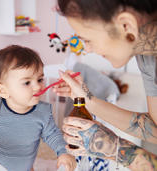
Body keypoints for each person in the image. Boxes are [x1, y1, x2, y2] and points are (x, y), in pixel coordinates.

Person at [52, 0, 157, 170]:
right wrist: (89, 100)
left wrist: (114, 149)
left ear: (126, 25)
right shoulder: (147, 56)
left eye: (88, 40)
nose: (87, 49)